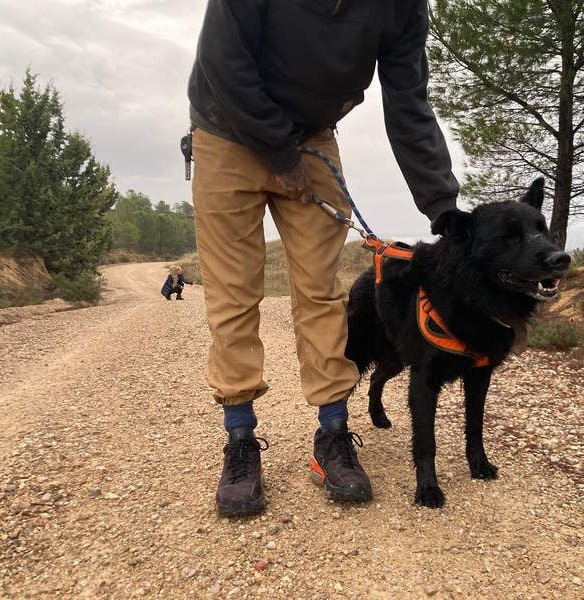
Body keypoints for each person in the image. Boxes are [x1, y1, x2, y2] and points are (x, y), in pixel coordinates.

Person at [188, 0, 461, 517]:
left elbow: (408, 102)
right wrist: (277, 152)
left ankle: (332, 434)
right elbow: (223, 59)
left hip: (311, 138)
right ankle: (240, 441)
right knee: (234, 295)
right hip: (224, 126)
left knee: (322, 292)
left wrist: (442, 205)